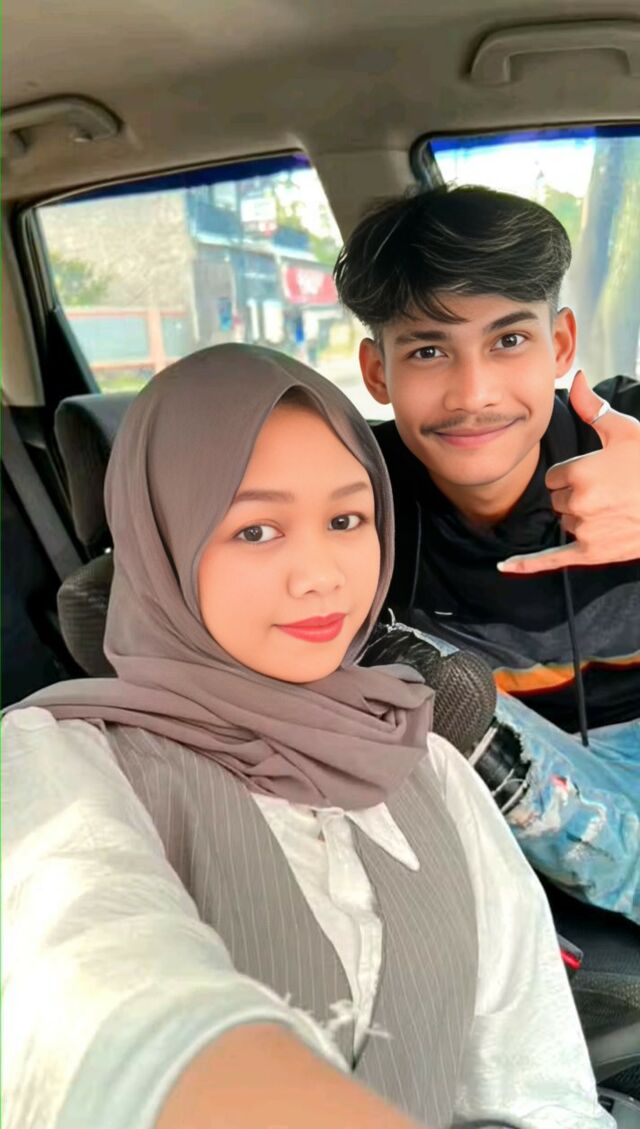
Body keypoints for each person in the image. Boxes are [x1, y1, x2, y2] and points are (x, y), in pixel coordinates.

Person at [3, 344, 611, 1129]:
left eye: (346, 519)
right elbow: (98, 993)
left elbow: (537, 1078)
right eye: (257, 529)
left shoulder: (423, 757)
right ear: (162, 545)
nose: (321, 573)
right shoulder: (59, 761)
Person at [333, 184, 640, 923]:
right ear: (378, 373)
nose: (473, 394)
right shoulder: (352, 494)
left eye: (508, 341)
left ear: (559, 345)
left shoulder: (629, 430)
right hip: (497, 776)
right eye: (429, 351)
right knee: (422, 679)